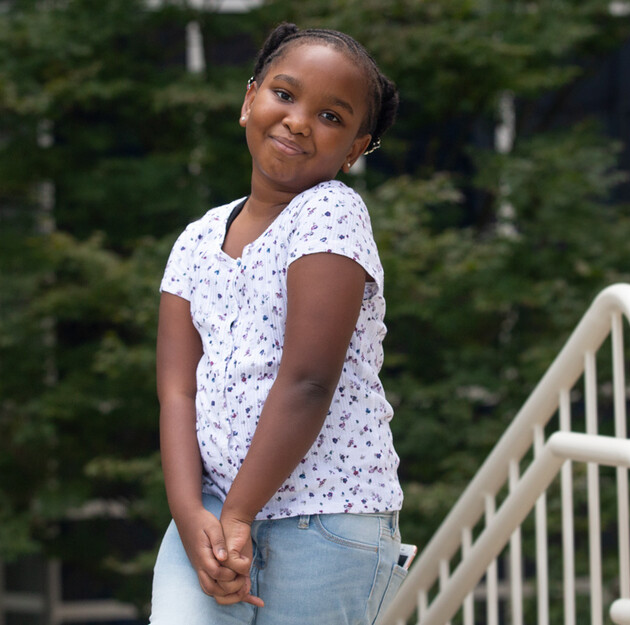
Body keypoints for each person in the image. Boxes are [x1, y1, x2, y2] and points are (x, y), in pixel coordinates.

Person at [149, 22, 405, 625]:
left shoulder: (330, 212)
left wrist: (239, 515)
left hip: (325, 521)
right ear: (249, 101)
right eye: (284, 96)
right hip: (209, 515)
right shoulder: (195, 240)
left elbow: (308, 379)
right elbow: (176, 390)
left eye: (331, 117)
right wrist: (192, 519)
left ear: (355, 149)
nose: (297, 120)